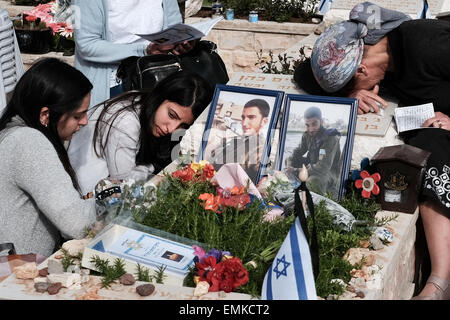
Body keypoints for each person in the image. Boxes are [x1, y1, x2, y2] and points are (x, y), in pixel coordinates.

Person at [295, 2, 450, 300]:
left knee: (435, 151)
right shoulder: (371, 55)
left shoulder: (426, 43)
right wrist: (353, 91)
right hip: (434, 126)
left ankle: (440, 281)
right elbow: (305, 74)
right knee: (426, 150)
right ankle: (439, 280)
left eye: (353, 82)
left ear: (362, 68)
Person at [0, 58, 97, 257]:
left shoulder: (12, 128)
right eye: (78, 116)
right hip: (19, 276)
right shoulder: (27, 141)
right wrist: (109, 202)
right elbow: (76, 223)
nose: (85, 122)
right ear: (45, 115)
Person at [67, 70, 213, 196]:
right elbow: (125, 183)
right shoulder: (125, 122)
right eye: (172, 115)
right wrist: (152, 167)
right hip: (87, 196)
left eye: (183, 125)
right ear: (160, 97)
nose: (172, 129)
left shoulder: (142, 102)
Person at [73, 0, 196, 108]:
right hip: (113, 86)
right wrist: (143, 51)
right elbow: (87, 45)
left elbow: (173, 26)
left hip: (156, 79)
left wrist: (179, 42)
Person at [206, 98, 270, 184]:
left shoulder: (261, 149)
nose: (244, 123)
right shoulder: (237, 141)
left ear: (264, 121)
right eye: (243, 118)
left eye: (251, 118)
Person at [288, 106, 341, 196]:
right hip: (312, 165)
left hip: (328, 172)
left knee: (312, 181)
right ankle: (293, 182)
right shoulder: (307, 135)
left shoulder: (330, 138)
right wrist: (289, 165)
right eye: (307, 125)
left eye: (314, 124)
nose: (311, 129)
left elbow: (323, 166)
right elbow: (298, 151)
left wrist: (296, 170)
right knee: (289, 159)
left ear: (321, 122)